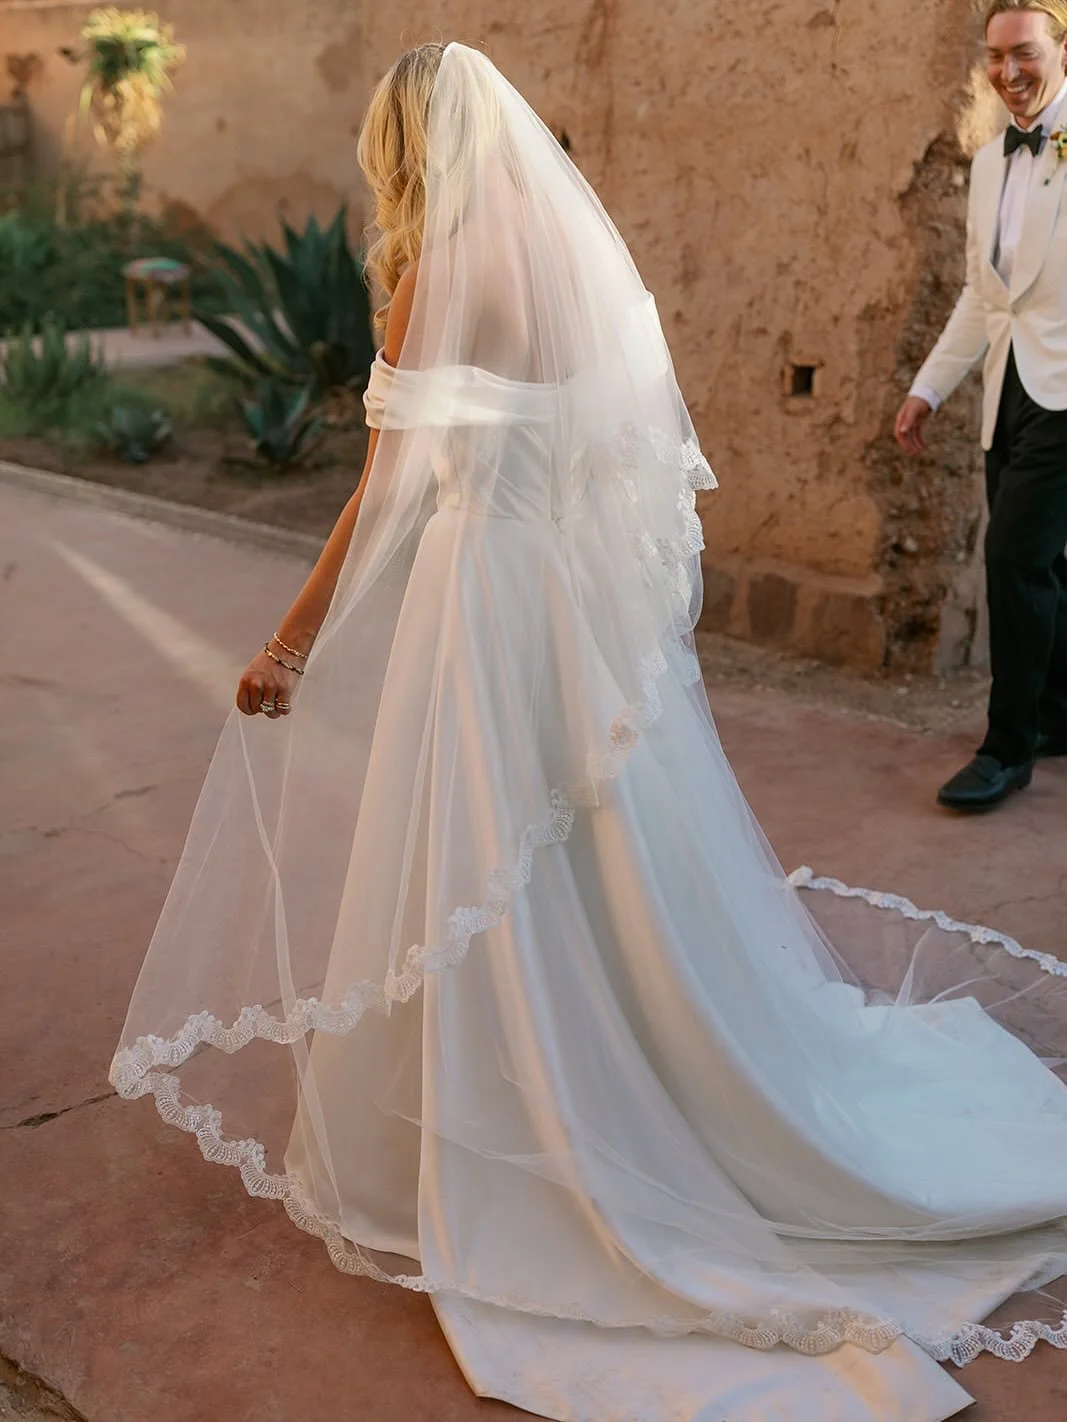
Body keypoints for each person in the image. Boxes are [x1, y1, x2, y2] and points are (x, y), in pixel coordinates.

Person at [112, 42, 1067, 1422]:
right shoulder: (567, 271)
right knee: (595, 868)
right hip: (560, 611)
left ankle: (530, 1131)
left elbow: (382, 500)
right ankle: (642, 1078)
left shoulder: (426, 277)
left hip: (476, 608)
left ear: (399, 150)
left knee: (483, 869)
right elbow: (619, 462)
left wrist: (287, 648)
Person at [897, 0, 1067, 812]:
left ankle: (1005, 750)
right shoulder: (990, 160)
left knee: (1011, 557)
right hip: (1010, 389)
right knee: (1045, 564)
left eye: (1024, 53)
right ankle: (1055, 716)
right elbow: (981, 295)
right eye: (995, 58)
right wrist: (928, 388)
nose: (1009, 74)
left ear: (1059, 49)